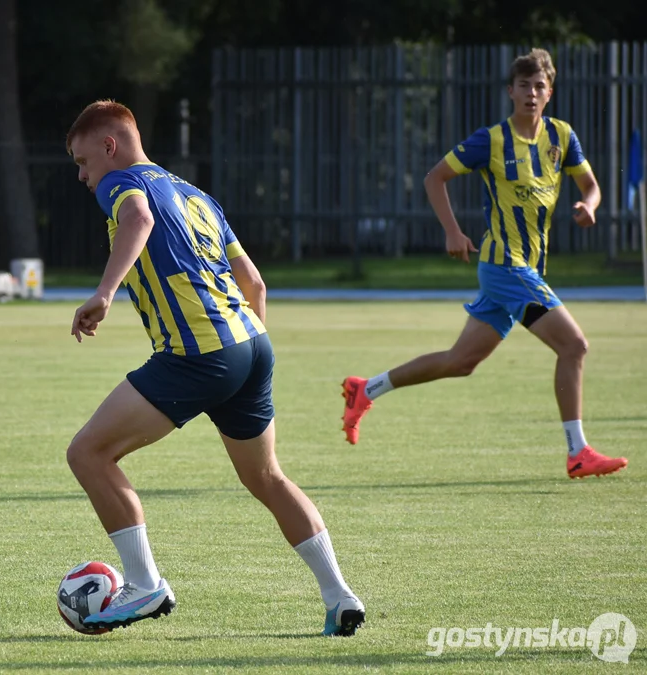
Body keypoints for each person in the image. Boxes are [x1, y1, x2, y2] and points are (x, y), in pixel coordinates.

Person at [64, 101, 365, 636]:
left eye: (83, 161)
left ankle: (144, 584)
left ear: (109, 146)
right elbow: (254, 283)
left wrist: (104, 293)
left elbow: (138, 218)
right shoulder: (197, 194)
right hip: (252, 346)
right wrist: (242, 356)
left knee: (88, 453)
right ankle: (340, 595)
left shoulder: (121, 183)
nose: (83, 177)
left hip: (198, 353)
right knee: (267, 477)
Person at [340, 49, 628, 481]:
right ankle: (577, 451)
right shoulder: (491, 140)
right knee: (575, 346)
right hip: (505, 266)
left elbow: (591, 185)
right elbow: (434, 177)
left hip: (520, 271)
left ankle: (366, 389)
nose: (532, 93)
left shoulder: (562, 137)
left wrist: (589, 205)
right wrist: (452, 232)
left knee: (461, 362)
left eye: (539, 86)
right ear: (510, 91)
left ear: (549, 93)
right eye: (524, 85)